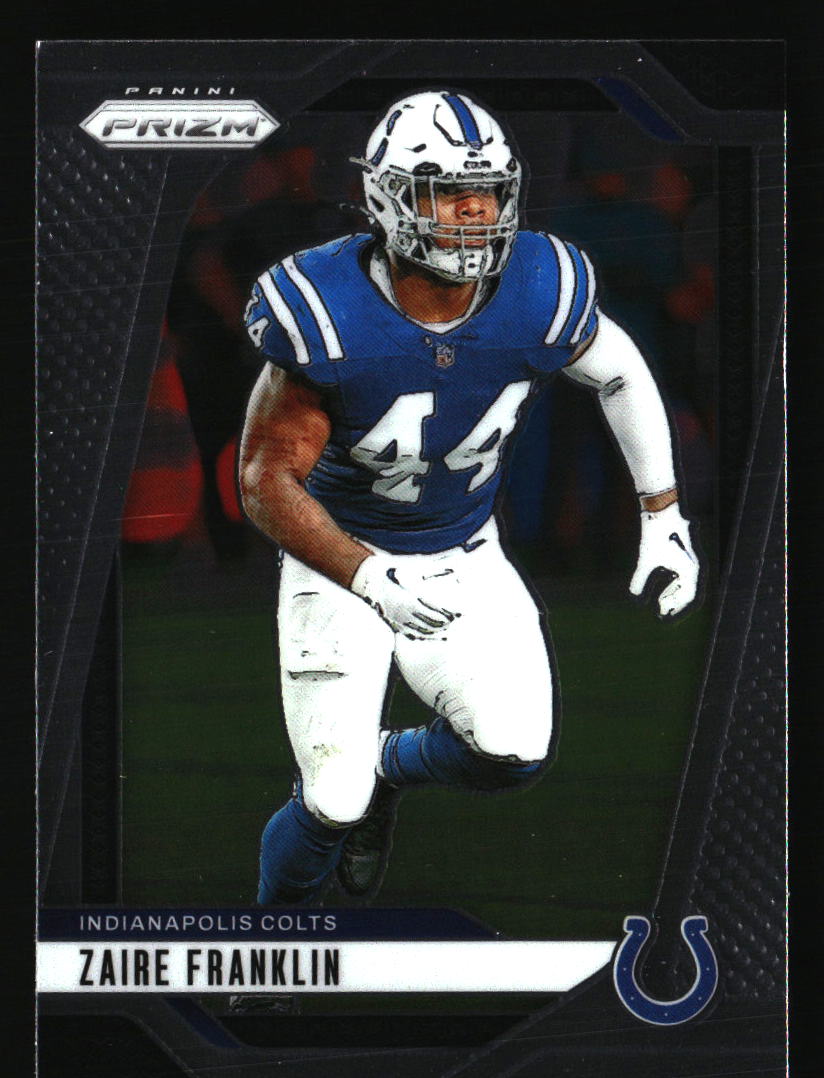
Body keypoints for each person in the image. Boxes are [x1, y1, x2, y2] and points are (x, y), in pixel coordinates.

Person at [238, 91, 700, 907]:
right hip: (342, 560)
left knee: (515, 748)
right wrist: (368, 575)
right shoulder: (325, 306)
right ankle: (273, 940)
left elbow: (621, 371)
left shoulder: (538, 284)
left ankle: (390, 767)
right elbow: (264, 479)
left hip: (462, 549)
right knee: (332, 798)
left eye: (488, 189)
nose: (476, 210)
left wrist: (662, 515)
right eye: (449, 191)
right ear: (388, 198)